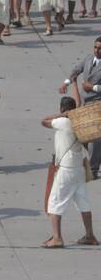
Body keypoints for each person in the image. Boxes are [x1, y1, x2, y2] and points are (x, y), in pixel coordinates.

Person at [41, 97, 98, 248]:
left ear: (62, 108)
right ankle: (90, 235)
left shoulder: (62, 122)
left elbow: (44, 121)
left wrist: (62, 115)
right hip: (79, 168)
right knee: (83, 202)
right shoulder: (80, 123)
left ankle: (57, 238)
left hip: (66, 169)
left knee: (54, 203)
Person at [58, 37, 101, 177]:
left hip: (97, 104)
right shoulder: (89, 59)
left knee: (95, 139)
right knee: (82, 136)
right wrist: (66, 82)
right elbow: (76, 70)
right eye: (96, 47)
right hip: (84, 104)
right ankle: (84, 165)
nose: (97, 51)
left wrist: (93, 87)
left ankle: (93, 169)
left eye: (100, 48)